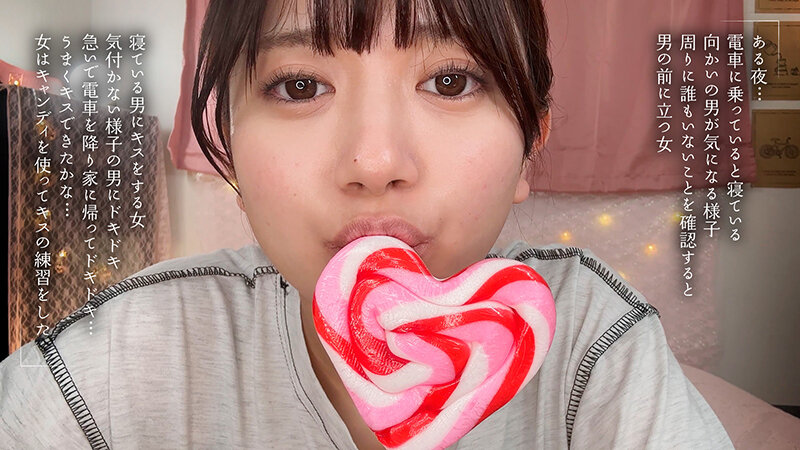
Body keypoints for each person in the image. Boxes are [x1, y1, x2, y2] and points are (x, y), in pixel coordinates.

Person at [1, 0, 733, 448]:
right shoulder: (111, 372)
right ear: (227, 147)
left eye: (451, 80)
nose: (375, 162)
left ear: (529, 145)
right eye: (299, 85)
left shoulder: (587, 349)